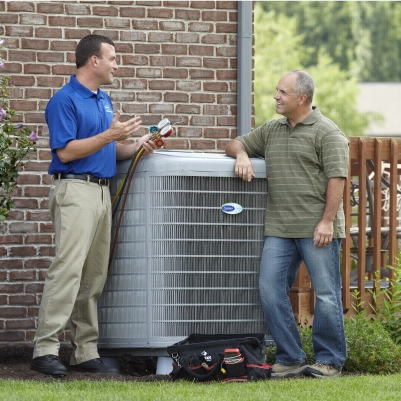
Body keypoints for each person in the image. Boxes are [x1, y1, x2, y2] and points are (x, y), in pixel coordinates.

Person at [30, 34, 156, 376]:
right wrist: (109, 137)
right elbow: (67, 151)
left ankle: (84, 351)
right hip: (75, 192)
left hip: (102, 192)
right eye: (113, 58)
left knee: (94, 275)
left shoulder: (104, 101)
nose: (118, 64)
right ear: (94, 61)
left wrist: (136, 146)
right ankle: (45, 349)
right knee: (68, 270)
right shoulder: (64, 100)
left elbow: (107, 150)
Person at [225, 70, 348, 378]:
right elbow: (235, 143)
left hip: (316, 228)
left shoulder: (327, 132)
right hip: (279, 228)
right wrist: (242, 155)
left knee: (327, 294)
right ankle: (291, 356)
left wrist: (327, 222)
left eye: (282, 92)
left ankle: (329, 361)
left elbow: (337, 178)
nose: (276, 96)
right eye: (277, 90)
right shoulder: (272, 130)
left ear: (301, 98)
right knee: (269, 288)